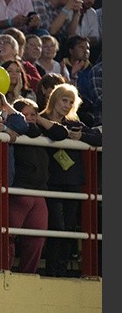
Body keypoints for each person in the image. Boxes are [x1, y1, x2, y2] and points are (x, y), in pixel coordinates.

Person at [39, 83, 102, 277]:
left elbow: (99, 138)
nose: (67, 105)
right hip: (51, 181)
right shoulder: (41, 119)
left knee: (68, 229)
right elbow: (55, 133)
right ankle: (51, 271)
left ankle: (61, 270)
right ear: (54, 100)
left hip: (73, 181)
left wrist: (80, 136)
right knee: (56, 226)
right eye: (64, 100)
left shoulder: (74, 123)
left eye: (71, 102)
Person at [8, 98, 68, 273]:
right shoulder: (15, 129)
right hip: (19, 190)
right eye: (24, 114)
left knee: (37, 239)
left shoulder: (40, 130)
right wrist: (24, 120)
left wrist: (39, 118)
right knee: (8, 235)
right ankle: (3, 270)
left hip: (40, 192)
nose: (29, 118)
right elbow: (29, 130)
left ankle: (28, 274)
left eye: (32, 114)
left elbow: (60, 133)